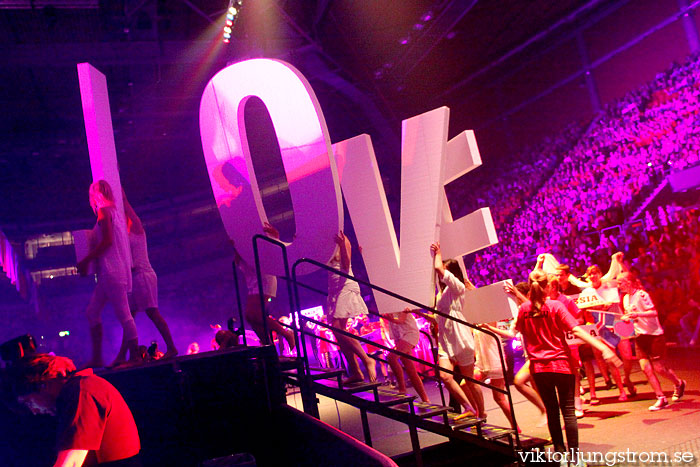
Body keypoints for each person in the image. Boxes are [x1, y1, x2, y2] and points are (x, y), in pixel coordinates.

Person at [510, 270, 621, 457]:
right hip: (561, 363)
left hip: (539, 368)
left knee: (552, 412)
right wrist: (603, 348)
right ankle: (575, 457)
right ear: (547, 287)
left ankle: (560, 455)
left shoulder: (524, 310)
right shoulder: (555, 306)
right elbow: (576, 330)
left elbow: (518, 331)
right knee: (568, 413)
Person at [8, 353, 141, 466]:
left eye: (29, 402)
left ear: (42, 385)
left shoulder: (81, 391)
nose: (34, 411)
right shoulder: (81, 387)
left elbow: (71, 463)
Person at [417, 242, 485, 419]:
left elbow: (439, 268)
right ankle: (469, 407)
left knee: (469, 381)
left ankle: (482, 412)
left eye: (446, 271)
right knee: (446, 377)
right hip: (446, 340)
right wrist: (418, 313)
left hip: (460, 336)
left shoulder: (458, 287)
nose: (441, 274)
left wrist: (438, 253)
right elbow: (439, 317)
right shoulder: (442, 293)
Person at [111, 189, 177, 366]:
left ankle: (171, 347)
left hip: (143, 275)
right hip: (134, 278)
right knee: (129, 317)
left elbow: (126, 204)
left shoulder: (138, 230)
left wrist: (118, 189)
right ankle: (123, 355)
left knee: (152, 312)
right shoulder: (122, 238)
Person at [77, 180, 139, 367]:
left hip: (111, 272)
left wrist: (86, 259)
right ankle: (97, 357)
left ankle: (135, 357)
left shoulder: (104, 212)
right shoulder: (115, 212)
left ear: (95, 195)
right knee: (92, 311)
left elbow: (107, 241)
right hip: (111, 272)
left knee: (124, 315)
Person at [618, 272, 686, 411]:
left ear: (628, 282)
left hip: (653, 336)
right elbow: (630, 316)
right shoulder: (625, 298)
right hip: (639, 337)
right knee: (645, 368)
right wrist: (627, 319)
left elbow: (653, 312)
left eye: (620, 283)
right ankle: (661, 398)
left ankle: (678, 383)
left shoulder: (642, 295)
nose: (618, 286)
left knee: (659, 369)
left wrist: (638, 314)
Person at [231, 223, 295, 351]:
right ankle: (267, 344)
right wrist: (235, 247)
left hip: (264, 279)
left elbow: (275, 250)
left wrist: (275, 236)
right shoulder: (243, 246)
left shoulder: (259, 242)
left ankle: (286, 334)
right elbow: (237, 262)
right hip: (252, 282)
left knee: (254, 314)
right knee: (251, 316)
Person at [326, 231, 376, 384]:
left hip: (345, 285)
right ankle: (356, 372)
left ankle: (367, 360)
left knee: (337, 329)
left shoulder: (343, 238)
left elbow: (346, 266)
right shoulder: (324, 242)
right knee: (339, 334)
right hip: (333, 288)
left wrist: (341, 244)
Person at [382, 308, 430, 402]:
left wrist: (389, 318)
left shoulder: (401, 304)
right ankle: (426, 399)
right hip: (399, 336)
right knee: (410, 369)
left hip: (409, 333)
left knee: (391, 357)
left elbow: (400, 320)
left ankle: (402, 390)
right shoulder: (388, 305)